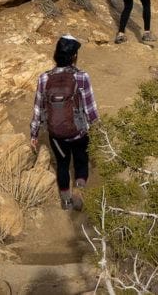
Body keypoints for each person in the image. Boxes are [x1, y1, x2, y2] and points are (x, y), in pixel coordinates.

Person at [30, 35, 98, 211]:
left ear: (56, 54)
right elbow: (90, 108)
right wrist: (98, 129)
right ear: (74, 56)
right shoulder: (82, 76)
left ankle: (66, 200)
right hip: (79, 132)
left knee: (62, 164)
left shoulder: (44, 78)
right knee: (81, 161)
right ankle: (80, 191)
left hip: (56, 134)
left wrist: (34, 133)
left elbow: (38, 107)